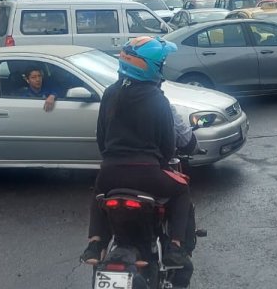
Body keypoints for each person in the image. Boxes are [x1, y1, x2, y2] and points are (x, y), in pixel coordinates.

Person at [81, 36, 193, 270]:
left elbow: (101, 139)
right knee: (182, 191)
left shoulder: (110, 93)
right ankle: (175, 246)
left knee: (99, 192)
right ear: (150, 67)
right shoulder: (156, 99)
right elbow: (167, 146)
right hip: (147, 174)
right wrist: (160, 163)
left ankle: (95, 243)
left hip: (110, 172)